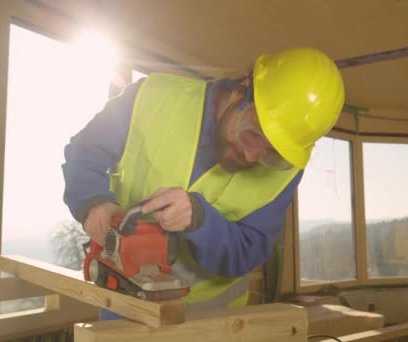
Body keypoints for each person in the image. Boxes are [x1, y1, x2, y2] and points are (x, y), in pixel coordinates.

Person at [62, 47, 344, 318]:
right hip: (124, 300)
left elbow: (250, 250)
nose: (251, 156)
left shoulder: (285, 173)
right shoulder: (154, 97)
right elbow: (85, 150)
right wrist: (93, 203)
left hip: (214, 321)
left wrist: (200, 221)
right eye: (253, 135)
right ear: (242, 90)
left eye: (272, 154)